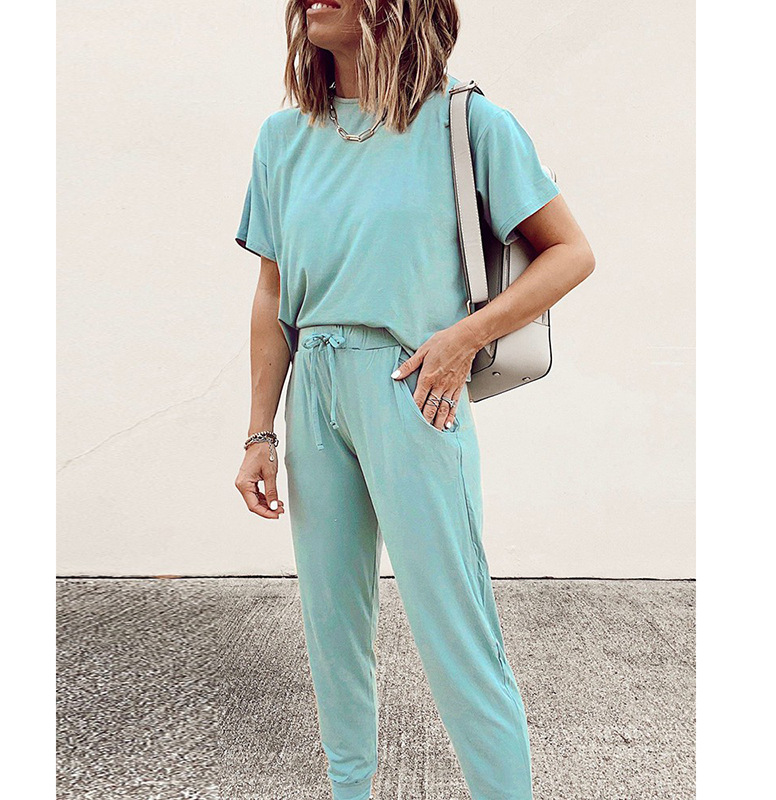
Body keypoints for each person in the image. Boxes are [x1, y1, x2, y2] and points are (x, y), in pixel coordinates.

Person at [234, 2, 595, 798]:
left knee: (454, 629)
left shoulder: (467, 123)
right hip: (313, 393)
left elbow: (570, 252)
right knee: (332, 628)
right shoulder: (282, 138)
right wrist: (260, 433)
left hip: (412, 388)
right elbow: (272, 297)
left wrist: (467, 337)